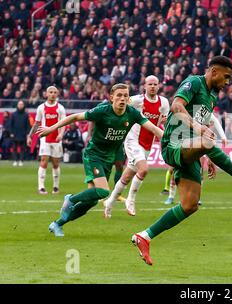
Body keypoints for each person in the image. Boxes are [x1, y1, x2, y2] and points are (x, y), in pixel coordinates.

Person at [131, 56, 232, 265]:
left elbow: (199, 126)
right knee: (207, 141)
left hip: (190, 148)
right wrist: (200, 135)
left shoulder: (212, 96)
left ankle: (145, 236)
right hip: (173, 144)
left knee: (190, 205)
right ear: (214, 72)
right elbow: (177, 107)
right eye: (226, 77)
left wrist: (205, 153)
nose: (227, 82)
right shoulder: (194, 82)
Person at [36, 83, 163, 237]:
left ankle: (57, 224)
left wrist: (170, 140)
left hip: (108, 159)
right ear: (111, 98)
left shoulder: (133, 113)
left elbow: (154, 129)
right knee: (103, 191)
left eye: (125, 95)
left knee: (91, 201)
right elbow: (75, 116)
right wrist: (51, 128)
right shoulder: (103, 111)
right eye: (119, 95)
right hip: (93, 155)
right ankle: (70, 199)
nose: (122, 99)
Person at [103, 75, 169, 217]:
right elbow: (119, 106)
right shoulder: (136, 100)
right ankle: (131, 200)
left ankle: (109, 202)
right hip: (133, 140)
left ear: (159, 86)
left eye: (155, 84)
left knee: (127, 176)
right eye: (149, 84)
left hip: (148, 143)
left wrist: (165, 122)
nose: (152, 86)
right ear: (144, 86)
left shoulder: (164, 102)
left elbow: (163, 121)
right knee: (144, 169)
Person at [163, 113, 227, 205]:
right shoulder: (192, 111)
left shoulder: (206, 113)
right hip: (185, 144)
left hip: (199, 146)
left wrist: (223, 136)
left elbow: (215, 122)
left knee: (199, 172)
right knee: (173, 170)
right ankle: (171, 196)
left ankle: (197, 197)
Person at [27, 86, 66, 194]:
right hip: (45, 138)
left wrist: (61, 134)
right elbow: (37, 123)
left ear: (57, 94)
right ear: (46, 94)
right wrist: (30, 135)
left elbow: (64, 123)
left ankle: (56, 187)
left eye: (55, 92)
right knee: (44, 161)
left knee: (55, 163)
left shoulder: (60, 108)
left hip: (56, 138)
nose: (53, 94)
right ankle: (41, 187)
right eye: (51, 92)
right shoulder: (41, 107)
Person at [10, 100, 31, 167]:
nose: (20, 105)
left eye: (22, 104)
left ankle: (21, 161)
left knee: (23, 148)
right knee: (14, 148)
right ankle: (15, 160)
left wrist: (28, 134)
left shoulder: (26, 115)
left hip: (23, 134)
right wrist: (11, 133)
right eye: (19, 104)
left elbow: (28, 125)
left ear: (23, 105)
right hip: (15, 134)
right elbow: (11, 124)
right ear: (17, 105)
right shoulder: (13, 114)